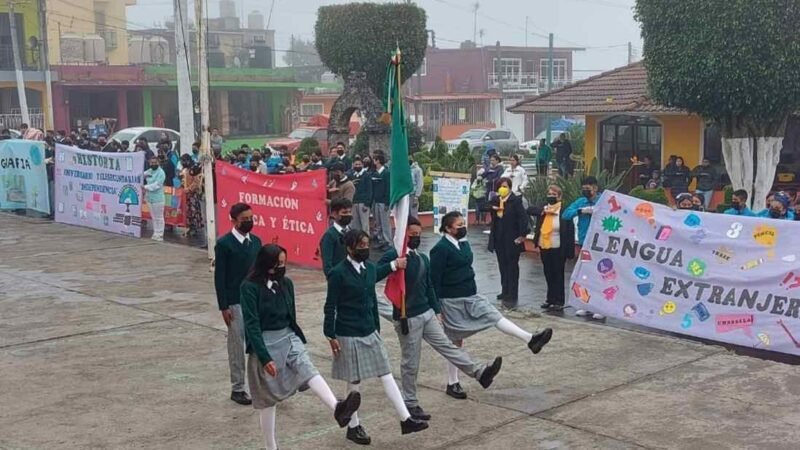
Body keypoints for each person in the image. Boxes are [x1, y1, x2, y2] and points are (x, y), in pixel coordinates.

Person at [379, 217, 503, 423]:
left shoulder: (421, 258)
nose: (416, 238)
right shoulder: (394, 255)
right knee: (411, 362)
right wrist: (393, 265)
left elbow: (428, 286)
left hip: (426, 313)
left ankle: (479, 372)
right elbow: (373, 274)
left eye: (419, 234)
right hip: (407, 317)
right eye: (412, 235)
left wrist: (436, 310)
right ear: (403, 235)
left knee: (448, 346)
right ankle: (410, 402)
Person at [241, 244, 362, 450]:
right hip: (265, 342)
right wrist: (264, 357)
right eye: (278, 264)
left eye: (284, 263)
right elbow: (251, 325)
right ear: (266, 264)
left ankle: (337, 407)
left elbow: (291, 314)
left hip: (288, 337)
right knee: (268, 400)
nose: (282, 267)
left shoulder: (286, 284)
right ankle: (271, 446)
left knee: (307, 368)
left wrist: (295, 336)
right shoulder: (249, 287)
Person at [430, 211, 553, 400]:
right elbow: (434, 280)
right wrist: (437, 309)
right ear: (447, 228)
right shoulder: (440, 249)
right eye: (459, 225)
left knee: (494, 315)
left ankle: (530, 339)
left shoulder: (463, 243)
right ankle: (452, 382)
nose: (463, 227)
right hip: (451, 300)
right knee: (455, 341)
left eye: (463, 224)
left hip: (472, 296)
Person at [324, 230, 428, 442]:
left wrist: (376, 327)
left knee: (386, 373)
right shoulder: (338, 273)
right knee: (354, 381)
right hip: (348, 332)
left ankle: (405, 419)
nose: (365, 248)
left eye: (366, 244)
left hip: (369, 330)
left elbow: (374, 289)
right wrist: (330, 334)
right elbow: (330, 306)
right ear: (349, 248)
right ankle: (354, 426)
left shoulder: (369, 269)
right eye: (360, 245)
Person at [214, 203, 263, 406]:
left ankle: (262, 384)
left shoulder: (256, 242)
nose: (249, 222)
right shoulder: (224, 244)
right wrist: (223, 306)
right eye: (244, 219)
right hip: (234, 301)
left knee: (259, 343)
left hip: (255, 300)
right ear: (234, 220)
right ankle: (238, 388)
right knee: (236, 345)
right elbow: (220, 277)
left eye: (251, 218)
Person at [563, 176, 604, 320]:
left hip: (599, 244)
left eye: (588, 188)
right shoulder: (580, 202)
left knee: (599, 276)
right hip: (584, 242)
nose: (586, 190)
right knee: (585, 275)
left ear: (595, 188)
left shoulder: (603, 200)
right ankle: (586, 305)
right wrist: (581, 211)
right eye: (584, 188)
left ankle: (600, 307)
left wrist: (598, 211)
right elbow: (566, 215)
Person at [528, 185, 575, 310]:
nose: (551, 196)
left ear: (559, 197)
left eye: (554, 194)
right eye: (549, 194)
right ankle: (550, 299)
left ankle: (559, 300)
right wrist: (543, 211)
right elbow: (530, 209)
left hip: (558, 246)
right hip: (544, 245)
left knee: (558, 274)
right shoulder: (544, 207)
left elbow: (570, 231)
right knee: (548, 273)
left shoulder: (563, 210)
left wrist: (569, 251)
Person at [485, 177, 529, 307]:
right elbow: (484, 207)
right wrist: (493, 208)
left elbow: (523, 218)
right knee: (502, 265)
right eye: (500, 186)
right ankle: (504, 290)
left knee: (512, 266)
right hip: (499, 238)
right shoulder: (496, 199)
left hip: (512, 238)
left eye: (505, 186)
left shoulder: (515, 201)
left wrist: (522, 235)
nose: (502, 189)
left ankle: (512, 292)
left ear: (509, 187)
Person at [320, 198, 353, 278]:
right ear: (334, 214)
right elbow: (327, 265)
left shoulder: (352, 232)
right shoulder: (329, 236)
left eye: (350, 212)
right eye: (344, 212)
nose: (348, 215)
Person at [181, 155, 205, 239]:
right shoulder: (184, 170)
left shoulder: (194, 170)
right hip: (185, 195)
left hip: (192, 195)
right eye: (182, 161)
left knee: (193, 212)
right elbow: (182, 180)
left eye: (185, 160)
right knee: (187, 212)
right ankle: (190, 227)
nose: (183, 162)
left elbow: (196, 182)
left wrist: (189, 189)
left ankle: (194, 228)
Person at [371, 154, 391, 251]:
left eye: (374, 159)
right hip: (376, 201)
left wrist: (387, 202)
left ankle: (388, 242)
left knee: (385, 222)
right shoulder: (375, 173)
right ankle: (381, 240)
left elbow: (388, 188)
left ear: (378, 160)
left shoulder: (386, 173)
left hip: (383, 202)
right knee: (378, 222)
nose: (373, 161)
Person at [143, 157, 166, 242]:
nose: (153, 164)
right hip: (149, 198)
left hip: (158, 198)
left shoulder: (161, 173)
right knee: (153, 217)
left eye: (154, 162)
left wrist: (145, 187)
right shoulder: (149, 171)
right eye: (151, 163)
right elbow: (141, 174)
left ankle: (160, 234)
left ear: (158, 163)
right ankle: (155, 232)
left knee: (159, 217)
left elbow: (157, 185)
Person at [350, 158, 373, 234]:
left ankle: (366, 239)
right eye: (356, 164)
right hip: (354, 202)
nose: (357, 166)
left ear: (362, 165)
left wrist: (367, 204)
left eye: (359, 164)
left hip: (363, 203)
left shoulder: (367, 175)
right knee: (355, 224)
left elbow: (369, 190)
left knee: (364, 225)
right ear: (353, 165)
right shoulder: (352, 175)